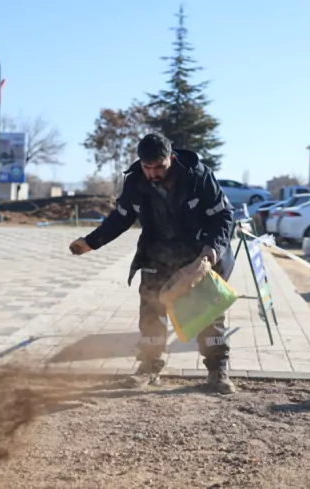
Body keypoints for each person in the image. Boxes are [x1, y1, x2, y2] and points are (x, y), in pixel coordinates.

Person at [69, 133, 237, 394]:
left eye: (159, 166)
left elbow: (224, 215)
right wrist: (92, 242)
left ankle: (217, 371)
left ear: (171, 158)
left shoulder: (198, 176)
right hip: (157, 252)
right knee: (151, 310)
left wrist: (210, 253)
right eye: (147, 167)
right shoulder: (136, 181)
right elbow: (121, 217)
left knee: (208, 312)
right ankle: (149, 367)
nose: (153, 173)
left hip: (198, 254)